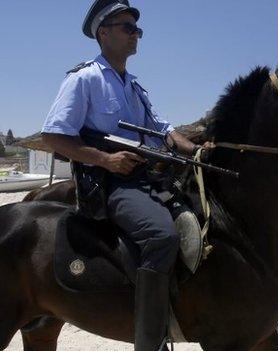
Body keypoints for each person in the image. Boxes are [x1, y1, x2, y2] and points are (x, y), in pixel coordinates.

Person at [41, 1, 210, 349]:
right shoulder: (85, 78)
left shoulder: (134, 86)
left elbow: (165, 130)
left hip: (146, 177)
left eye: (138, 30)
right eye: (128, 28)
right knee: (161, 237)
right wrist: (105, 159)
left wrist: (196, 151)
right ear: (103, 33)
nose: (136, 35)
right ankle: (151, 341)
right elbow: (54, 136)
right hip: (111, 182)